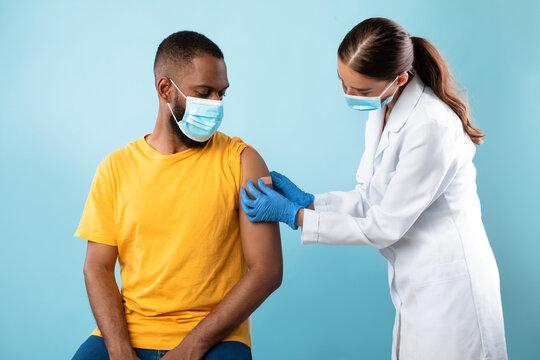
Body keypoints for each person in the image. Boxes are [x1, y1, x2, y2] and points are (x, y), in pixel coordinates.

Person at [241, 17, 507, 360]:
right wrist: (312, 202)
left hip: (453, 289)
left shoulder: (431, 125)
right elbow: (370, 196)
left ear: (399, 78)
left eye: (361, 90)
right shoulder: (383, 105)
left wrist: (298, 217)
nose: (350, 95)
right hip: (417, 284)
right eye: (343, 83)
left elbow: (385, 226)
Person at [72, 31, 282, 360]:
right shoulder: (115, 169)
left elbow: (266, 269)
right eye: (204, 92)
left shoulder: (242, 161)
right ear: (165, 89)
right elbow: (97, 267)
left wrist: (191, 347)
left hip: (216, 337)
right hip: (128, 330)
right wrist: (118, 348)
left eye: (221, 93)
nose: (216, 104)